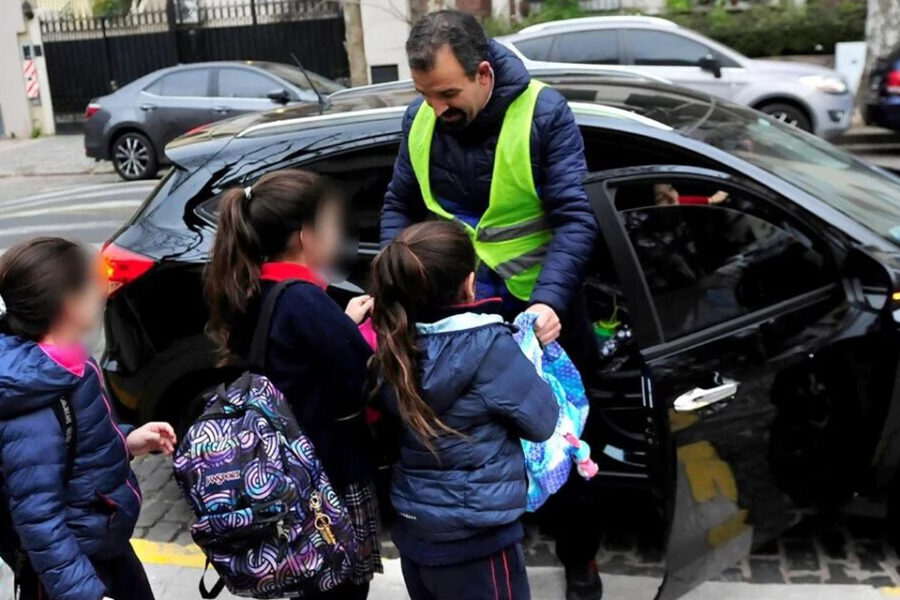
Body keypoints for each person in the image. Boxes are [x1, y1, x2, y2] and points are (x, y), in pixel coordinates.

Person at [381, 10, 603, 599]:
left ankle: (581, 569)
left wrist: (552, 300)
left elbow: (576, 219)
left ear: (483, 74)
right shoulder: (419, 120)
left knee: (561, 444)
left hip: (541, 320)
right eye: (425, 94)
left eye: (448, 94)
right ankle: (498, 561)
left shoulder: (542, 113)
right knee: (470, 453)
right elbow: (397, 207)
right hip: (454, 317)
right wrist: (396, 285)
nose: (435, 108)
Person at [204, 169, 382, 600]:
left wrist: (340, 326)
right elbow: (366, 378)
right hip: (324, 478)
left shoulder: (255, 286)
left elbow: (296, 356)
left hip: (285, 473)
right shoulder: (306, 301)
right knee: (339, 588)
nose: (337, 236)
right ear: (305, 235)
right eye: (331, 225)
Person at [369, 221, 559, 600]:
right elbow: (542, 422)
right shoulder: (491, 347)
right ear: (470, 284)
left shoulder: (391, 347)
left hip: (416, 535)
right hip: (479, 542)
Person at [0, 237, 177, 600]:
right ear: (69, 305)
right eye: (95, 284)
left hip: (103, 541)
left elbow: (77, 446)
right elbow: (40, 522)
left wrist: (126, 442)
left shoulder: (69, 363)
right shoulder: (31, 407)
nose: (105, 292)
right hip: (74, 567)